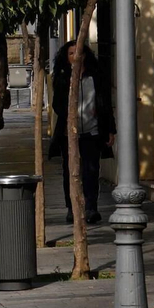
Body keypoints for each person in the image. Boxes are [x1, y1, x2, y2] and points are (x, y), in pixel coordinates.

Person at [48, 42, 114, 224]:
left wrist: (109, 129)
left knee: (91, 171)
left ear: (85, 55)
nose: (75, 56)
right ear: (65, 56)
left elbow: (105, 104)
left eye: (79, 52)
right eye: (70, 53)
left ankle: (91, 207)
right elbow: (56, 104)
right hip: (69, 134)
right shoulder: (62, 77)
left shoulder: (95, 76)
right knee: (70, 172)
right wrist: (70, 111)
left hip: (92, 132)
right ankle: (72, 207)